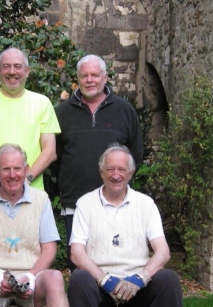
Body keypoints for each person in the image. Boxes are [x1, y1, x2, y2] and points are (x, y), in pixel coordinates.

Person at [54, 54, 143, 271]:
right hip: (75, 202)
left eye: (95, 75)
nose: (90, 80)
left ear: (105, 78)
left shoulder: (124, 111)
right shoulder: (62, 112)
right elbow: (54, 156)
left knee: (117, 258)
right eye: (84, 76)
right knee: (79, 263)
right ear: (77, 78)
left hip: (116, 203)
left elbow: (135, 155)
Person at [67, 144, 183, 307]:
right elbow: (76, 253)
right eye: (110, 169)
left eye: (121, 169)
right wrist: (104, 279)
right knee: (79, 278)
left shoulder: (146, 204)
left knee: (168, 279)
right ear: (101, 173)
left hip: (138, 287)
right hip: (100, 287)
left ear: (130, 173)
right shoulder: (85, 204)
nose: (116, 175)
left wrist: (140, 278)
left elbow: (163, 252)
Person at [0, 144, 69, 307]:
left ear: (26, 170)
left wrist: (31, 276)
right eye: (6, 169)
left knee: (55, 278)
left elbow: (49, 249)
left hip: (32, 276)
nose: (12, 175)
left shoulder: (41, 199)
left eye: (17, 169)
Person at [0, 47, 60, 193]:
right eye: (6, 66)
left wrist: (26, 182)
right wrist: (1, 184)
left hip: (32, 194)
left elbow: (50, 151)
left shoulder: (42, 103)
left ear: (27, 71)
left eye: (18, 66)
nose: (12, 72)